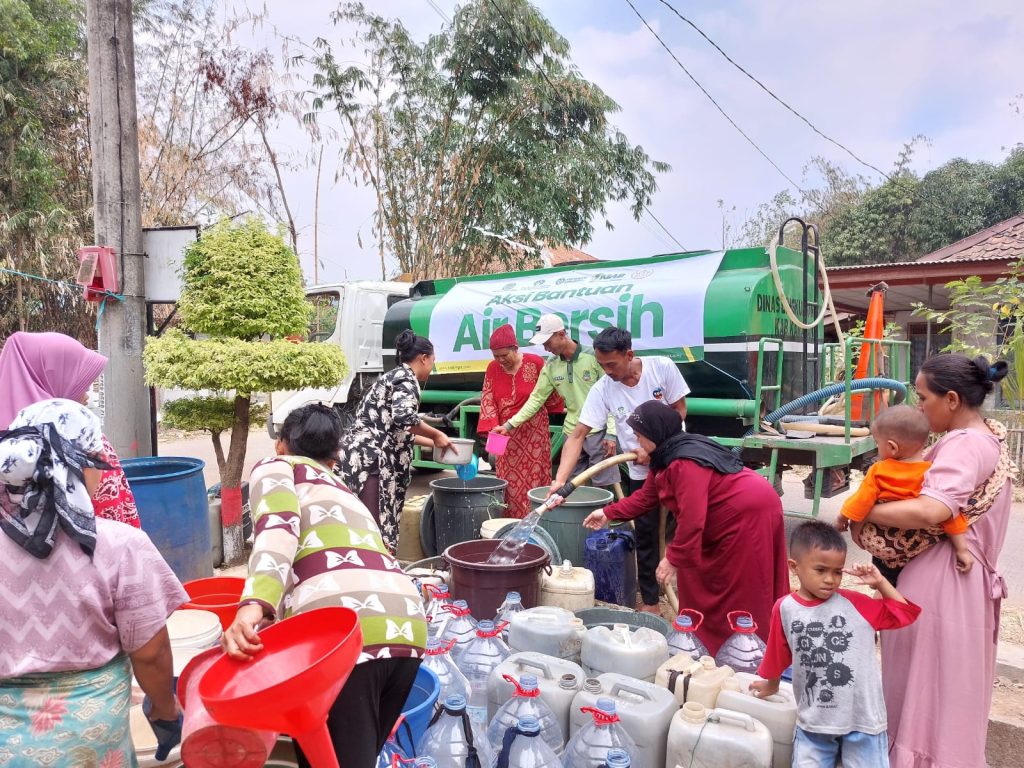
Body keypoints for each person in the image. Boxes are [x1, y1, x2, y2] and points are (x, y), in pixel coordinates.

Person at [223, 404, 427, 768]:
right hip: (408, 629)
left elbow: (278, 531)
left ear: (281, 444)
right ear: (335, 458)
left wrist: (254, 605)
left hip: (344, 637)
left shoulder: (276, 467)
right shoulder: (343, 491)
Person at [0, 398, 186, 765]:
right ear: (82, 465)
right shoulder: (119, 545)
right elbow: (150, 654)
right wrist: (165, 711)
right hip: (89, 734)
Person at [856, 354, 1013, 768]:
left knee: (925, 696)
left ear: (953, 399)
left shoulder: (963, 445)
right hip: (960, 585)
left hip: (941, 586)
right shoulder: (988, 438)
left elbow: (932, 510)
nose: (919, 407)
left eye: (923, 397)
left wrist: (863, 510)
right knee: (949, 695)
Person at [582, 400, 788, 652]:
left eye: (639, 436)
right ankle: (705, 645)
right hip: (731, 511)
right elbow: (646, 498)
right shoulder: (667, 456)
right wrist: (607, 512)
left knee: (740, 585)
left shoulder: (684, 463)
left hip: (747, 511)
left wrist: (674, 558)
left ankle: (747, 651)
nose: (637, 444)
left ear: (655, 432)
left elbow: (692, 517)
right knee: (701, 580)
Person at [751, 521, 920, 768]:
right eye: (821, 570)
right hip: (815, 720)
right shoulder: (786, 608)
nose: (830, 580)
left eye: (837, 571)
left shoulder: (857, 604)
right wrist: (771, 685)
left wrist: (880, 582)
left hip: (863, 720)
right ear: (794, 567)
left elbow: (905, 613)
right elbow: (778, 653)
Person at [552, 327, 690, 614]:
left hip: (678, 462)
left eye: (611, 364)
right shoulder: (603, 388)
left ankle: (691, 601)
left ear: (629, 354)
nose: (607, 371)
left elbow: (679, 410)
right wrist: (561, 481)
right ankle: (651, 603)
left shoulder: (661, 368)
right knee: (646, 534)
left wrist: (653, 447)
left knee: (690, 528)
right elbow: (578, 435)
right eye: (601, 365)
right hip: (641, 471)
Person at [0, 331, 141, 527]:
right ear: (52, 380)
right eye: (80, 383)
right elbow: (116, 518)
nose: (86, 396)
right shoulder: (83, 440)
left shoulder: (7, 445)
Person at [338, 330, 453, 554]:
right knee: (373, 528)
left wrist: (436, 443)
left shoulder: (394, 376)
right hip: (371, 463)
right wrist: (436, 434)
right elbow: (405, 418)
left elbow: (396, 429)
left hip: (362, 458)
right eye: (433, 361)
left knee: (365, 525)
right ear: (423, 358)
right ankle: (373, 576)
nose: (432, 367)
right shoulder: (406, 380)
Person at [835, 404, 973, 580]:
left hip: (884, 549)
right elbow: (951, 515)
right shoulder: (931, 473)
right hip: (918, 551)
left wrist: (846, 522)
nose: (877, 449)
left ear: (892, 447)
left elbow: (861, 501)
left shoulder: (879, 470)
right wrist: (962, 550)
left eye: (878, 444)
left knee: (886, 582)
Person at [491, 314, 620, 492]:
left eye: (548, 342)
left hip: (599, 431)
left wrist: (612, 433)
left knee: (605, 488)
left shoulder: (593, 357)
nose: (545, 347)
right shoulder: (551, 366)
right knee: (573, 488)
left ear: (561, 334)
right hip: (572, 432)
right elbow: (536, 399)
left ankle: (607, 518)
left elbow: (613, 395)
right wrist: (508, 425)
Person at [477, 323, 564, 518]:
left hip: (534, 433)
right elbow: (488, 398)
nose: (500, 360)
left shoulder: (535, 363)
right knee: (507, 482)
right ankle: (509, 524)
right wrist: (493, 428)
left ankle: (534, 522)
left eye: (504, 355)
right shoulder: (492, 368)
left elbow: (550, 394)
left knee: (534, 479)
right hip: (504, 434)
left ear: (515, 349)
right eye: (496, 356)